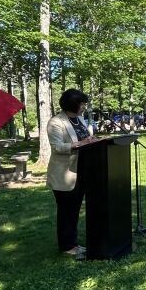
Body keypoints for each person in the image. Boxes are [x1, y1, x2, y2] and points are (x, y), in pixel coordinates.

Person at [47, 89, 98, 258]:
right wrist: (80, 143)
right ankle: (67, 246)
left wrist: (93, 141)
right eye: (82, 103)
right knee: (67, 211)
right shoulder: (56, 122)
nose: (84, 107)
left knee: (75, 210)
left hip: (83, 172)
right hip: (65, 174)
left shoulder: (79, 119)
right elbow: (57, 147)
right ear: (73, 104)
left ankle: (73, 242)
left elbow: (85, 140)